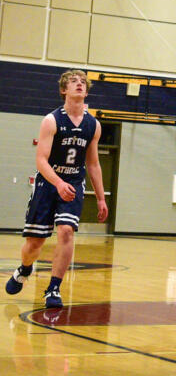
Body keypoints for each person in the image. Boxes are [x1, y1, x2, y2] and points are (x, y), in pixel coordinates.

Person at [5, 70, 108, 309]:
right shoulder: (51, 120)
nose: (79, 84)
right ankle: (25, 268)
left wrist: (101, 198)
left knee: (66, 232)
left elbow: (93, 164)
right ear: (64, 90)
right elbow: (41, 160)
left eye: (83, 82)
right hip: (48, 183)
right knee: (34, 244)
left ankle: (53, 288)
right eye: (74, 81)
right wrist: (58, 183)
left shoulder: (93, 125)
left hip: (73, 183)